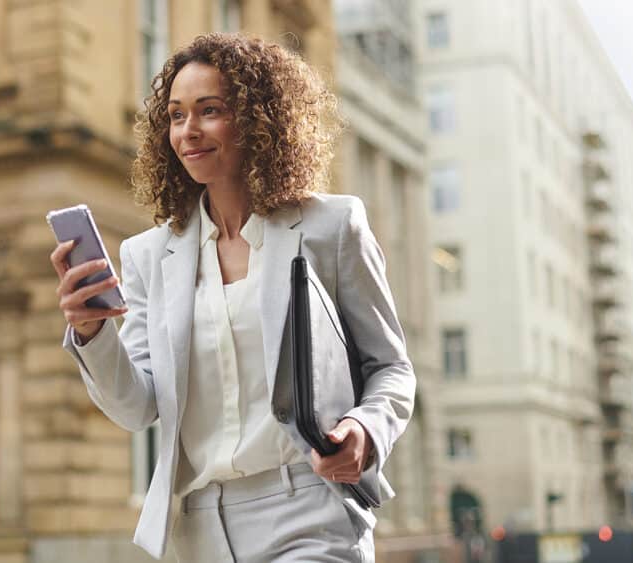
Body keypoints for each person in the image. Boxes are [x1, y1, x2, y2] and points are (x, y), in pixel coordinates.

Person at [50, 33, 415, 562]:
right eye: (175, 115)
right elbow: (136, 406)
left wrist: (364, 427)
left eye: (210, 110)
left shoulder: (331, 227)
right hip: (197, 529)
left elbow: (391, 368)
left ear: (259, 121)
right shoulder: (149, 256)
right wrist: (91, 332)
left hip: (309, 510)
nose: (188, 131)